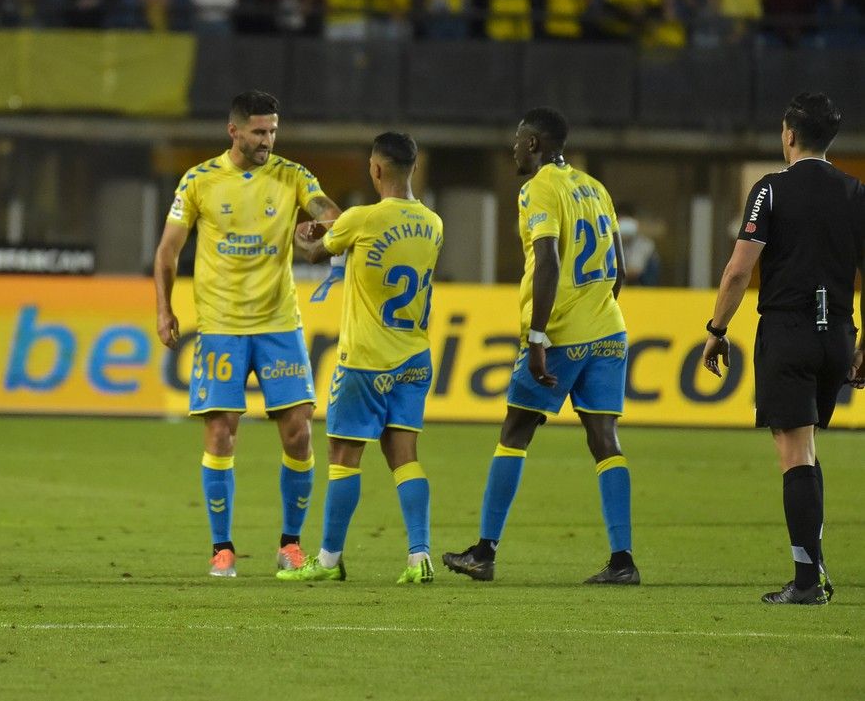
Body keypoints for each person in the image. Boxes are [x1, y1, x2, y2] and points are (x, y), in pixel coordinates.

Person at [443, 107, 639, 585]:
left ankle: (484, 552)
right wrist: (596, 312)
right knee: (605, 441)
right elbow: (621, 270)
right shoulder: (596, 187)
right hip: (609, 330)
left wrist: (539, 334)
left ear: (534, 143)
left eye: (517, 139)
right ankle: (622, 561)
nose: (513, 147)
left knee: (515, 433)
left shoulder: (538, 190)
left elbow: (548, 260)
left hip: (561, 334)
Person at [153, 90, 341, 578]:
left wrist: (320, 229)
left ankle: (290, 545)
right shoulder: (198, 181)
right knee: (221, 432)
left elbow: (328, 212)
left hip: (279, 323)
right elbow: (169, 251)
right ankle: (223, 549)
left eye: (274, 131)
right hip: (220, 327)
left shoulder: (292, 175)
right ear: (233, 131)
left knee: (299, 431)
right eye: (259, 131)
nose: (268, 140)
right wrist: (164, 309)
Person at [701, 93, 865, 605]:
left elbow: (737, 270)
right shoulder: (856, 192)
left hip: (789, 332)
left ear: (789, 134)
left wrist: (717, 328)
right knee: (807, 448)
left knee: (793, 455)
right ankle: (814, 568)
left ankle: (805, 582)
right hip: (838, 334)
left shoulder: (769, 190)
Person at [276, 132, 443, 585]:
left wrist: (300, 232)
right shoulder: (433, 223)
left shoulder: (360, 218)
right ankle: (419, 556)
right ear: (413, 168)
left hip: (366, 360)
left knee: (343, 456)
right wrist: (337, 232)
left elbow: (314, 251)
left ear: (375, 169)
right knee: (404, 454)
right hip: (414, 357)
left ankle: (328, 561)